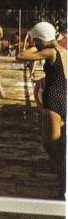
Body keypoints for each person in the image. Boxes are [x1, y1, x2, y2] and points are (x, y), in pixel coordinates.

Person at [16, 22, 66, 197]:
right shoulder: (64, 52)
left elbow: (21, 56)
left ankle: (63, 189)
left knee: (53, 147)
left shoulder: (50, 52)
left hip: (53, 100)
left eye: (37, 41)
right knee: (53, 145)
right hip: (63, 98)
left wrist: (33, 43)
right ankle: (62, 187)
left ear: (41, 39)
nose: (36, 45)